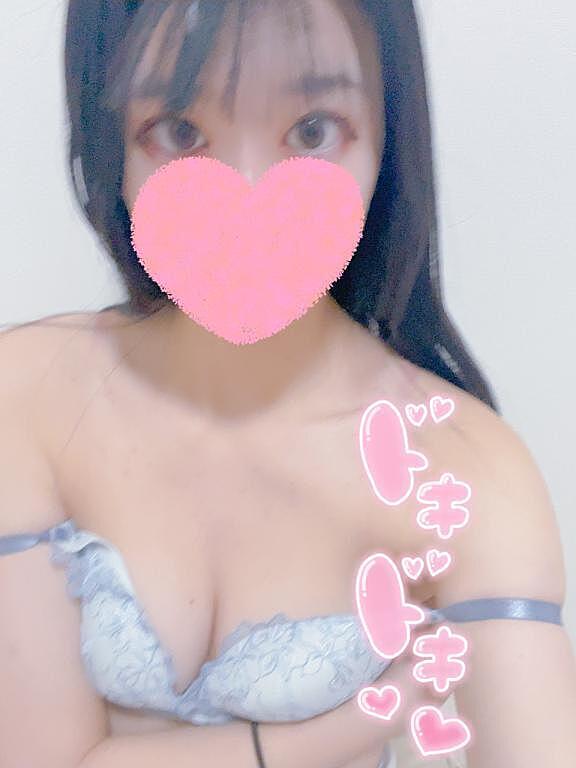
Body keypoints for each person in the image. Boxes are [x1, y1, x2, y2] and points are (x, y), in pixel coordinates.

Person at [1, 1, 575, 767]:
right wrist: (333, 732)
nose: (247, 190)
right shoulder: (28, 393)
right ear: (111, 144)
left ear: (388, 140)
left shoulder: (468, 471)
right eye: (180, 132)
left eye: (312, 132)